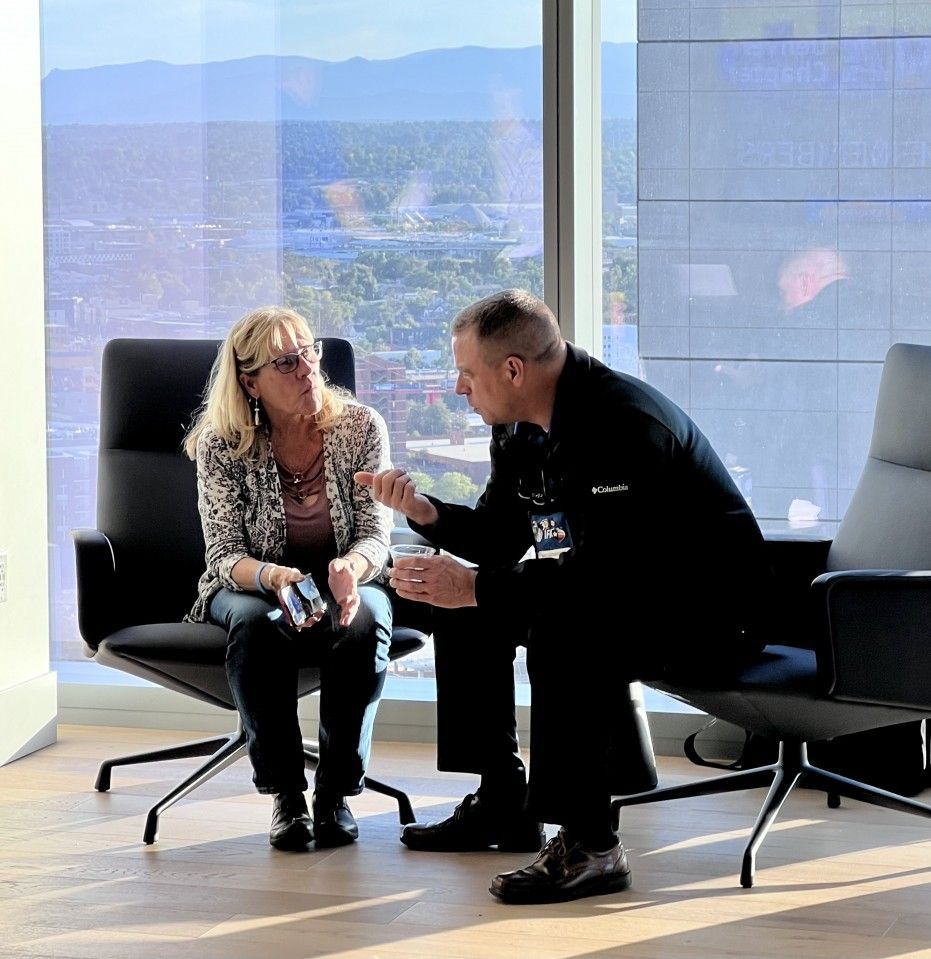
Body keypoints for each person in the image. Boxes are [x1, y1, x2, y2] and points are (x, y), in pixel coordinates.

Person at [357, 289, 773, 904]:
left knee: (562, 629)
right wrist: (423, 513)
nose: (457, 389)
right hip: (628, 592)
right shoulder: (522, 428)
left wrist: (475, 585)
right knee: (471, 614)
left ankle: (592, 845)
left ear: (514, 370)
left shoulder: (621, 426)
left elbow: (603, 577)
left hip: (711, 612)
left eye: (467, 373)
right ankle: (504, 801)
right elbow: (499, 539)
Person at [184, 306, 393, 852]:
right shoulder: (222, 445)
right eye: (286, 362)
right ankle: (286, 796)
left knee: (365, 620)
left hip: (347, 579)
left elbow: (376, 534)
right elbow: (224, 555)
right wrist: (274, 576)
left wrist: (352, 567)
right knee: (256, 624)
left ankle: (336, 796)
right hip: (252, 583)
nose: (307, 370)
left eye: (309, 352)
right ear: (250, 382)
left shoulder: (360, 427)